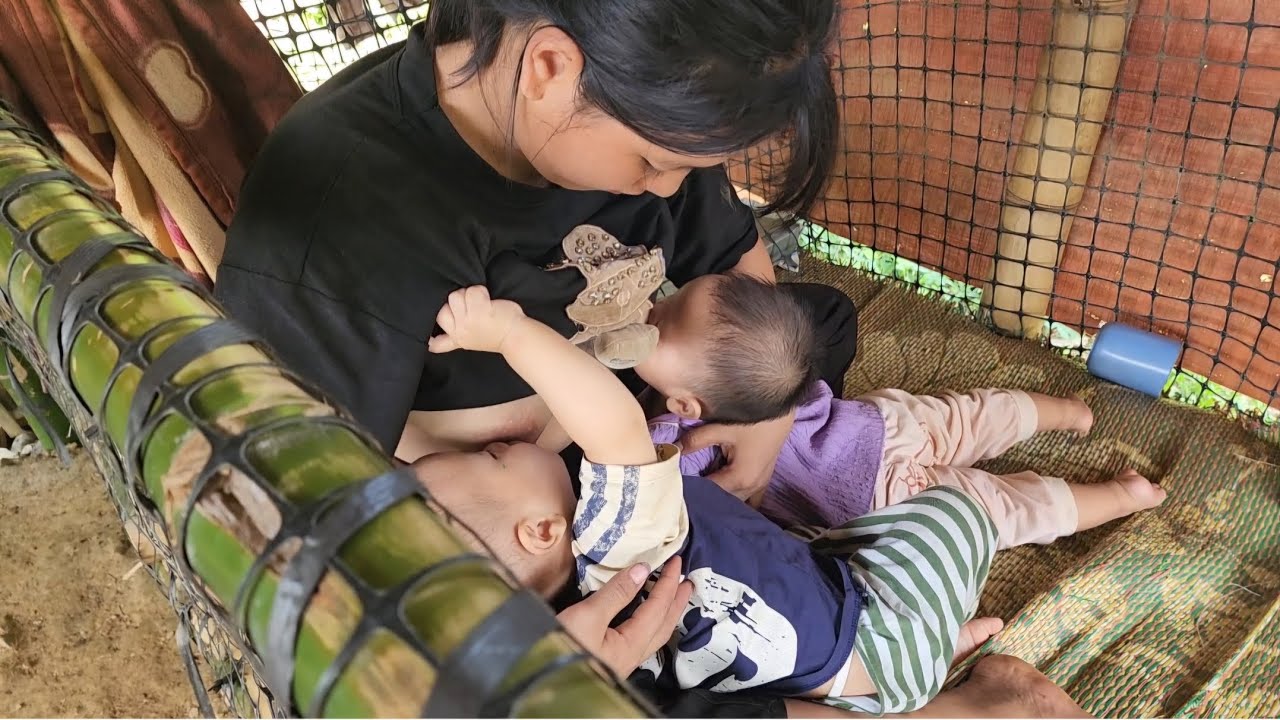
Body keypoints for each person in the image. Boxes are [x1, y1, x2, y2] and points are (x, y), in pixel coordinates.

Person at [215, 0, 1088, 714]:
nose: (670, 187)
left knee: (805, 330)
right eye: (656, 162)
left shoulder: (638, 100)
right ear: (551, 68)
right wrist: (521, 656)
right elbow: (299, 537)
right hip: (532, 540)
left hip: (654, 442)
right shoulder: (335, 227)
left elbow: (731, 266)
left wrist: (768, 415)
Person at [415, 285, 1005, 713]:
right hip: (879, 635)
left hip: (826, 681)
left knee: (802, 557)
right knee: (957, 515)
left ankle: (931, 652)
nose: (496, 443)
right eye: (490, 457)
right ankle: (931, 645)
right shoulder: (611, 536)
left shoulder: (572, 616)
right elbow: (613, 422)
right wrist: (510, 334)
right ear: (541, 530)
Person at [639, 273, 1168, 546]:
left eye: (659, 318)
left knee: (1003, 514)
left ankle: (1124, 495)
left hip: (881, 501)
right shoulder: (779, 363)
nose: (649, 307)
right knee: (975, 415)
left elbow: (659, 499)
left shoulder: (673, 436)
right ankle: (1070, 412)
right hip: (884, 425)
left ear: (687, 403)